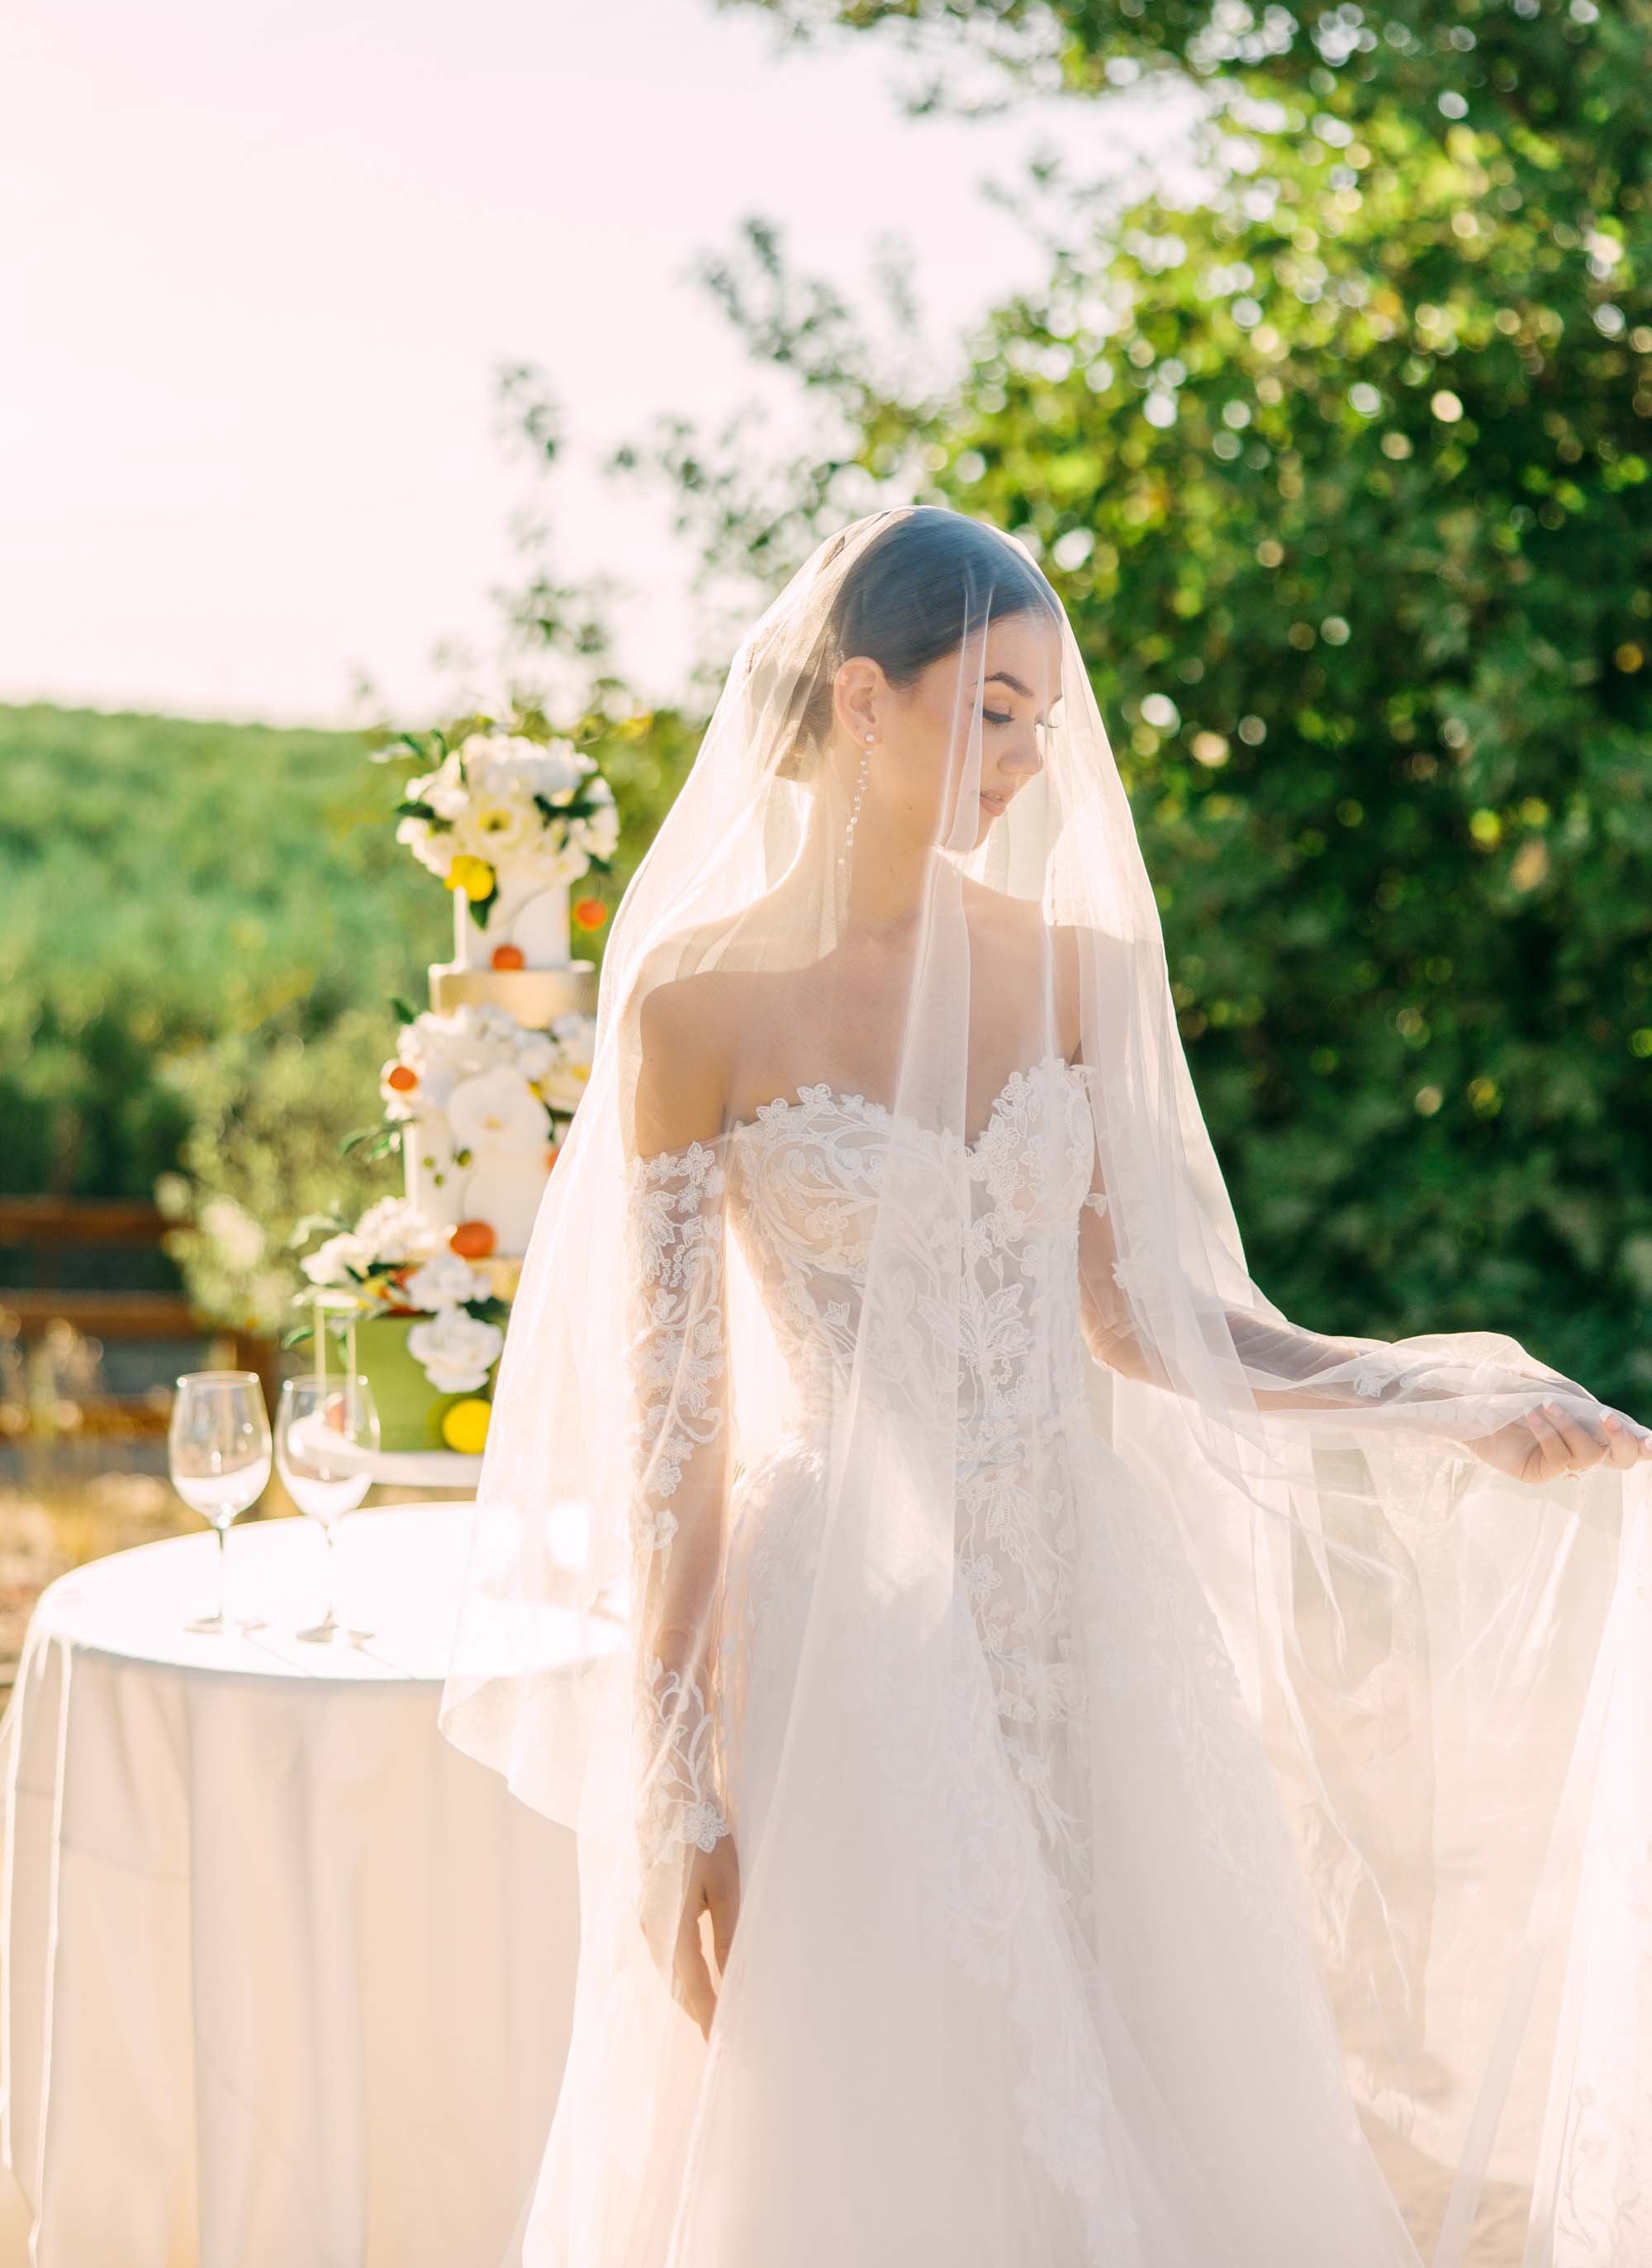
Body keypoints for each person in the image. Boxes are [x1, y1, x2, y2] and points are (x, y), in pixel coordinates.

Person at [441, 506, 1652, 2267]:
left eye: (1040, 724)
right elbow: (676, 1436)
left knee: (1149, 2066)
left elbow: (1151, 1321)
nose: (1024, 763)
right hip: (844, 1640)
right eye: (990, 711)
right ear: (863, 700)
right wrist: (673, 1783)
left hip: (1091, 1606)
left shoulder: (1080, 973)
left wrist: (1428, 1392)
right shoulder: (696, 1009)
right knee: (882, 2116)